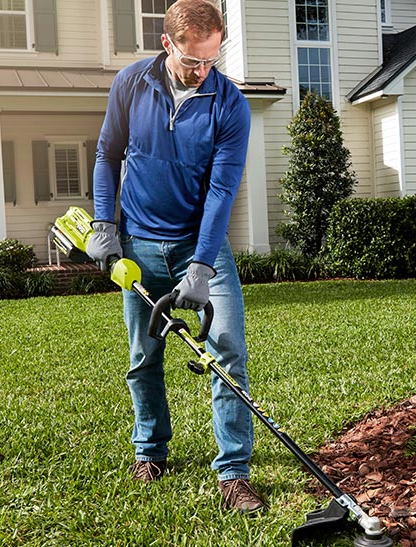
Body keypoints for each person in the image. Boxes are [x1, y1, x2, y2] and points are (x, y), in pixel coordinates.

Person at [87, 0, 263, 513]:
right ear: (168, 44)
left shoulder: (229, 104)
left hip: (198, 245)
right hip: (139, 246)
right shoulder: (131, 84)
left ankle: (233, 472)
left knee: (227, 353)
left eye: (213, 59)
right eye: (193, 61)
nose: (203, 70)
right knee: (144, 359)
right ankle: (151, 452)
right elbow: (107, 154)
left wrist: (203, 266)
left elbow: (222, 191)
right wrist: (105, 223)